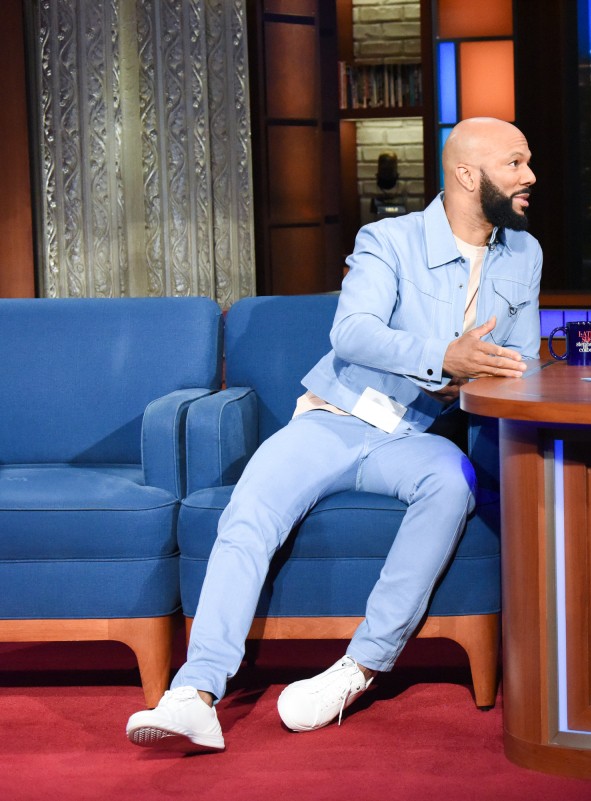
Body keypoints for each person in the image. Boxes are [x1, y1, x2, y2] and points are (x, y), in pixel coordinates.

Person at [126, 117, 541, 752]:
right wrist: (443, 357)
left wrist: (490, 377)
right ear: (467, 174)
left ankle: (359, 669)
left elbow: (521, 359)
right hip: (335, 417)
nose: (529, 176)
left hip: (417, 436)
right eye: (515, 163)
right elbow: (352, 332)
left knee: (452, 483)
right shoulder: (388, 240)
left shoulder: (524, 253)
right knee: (250, 511)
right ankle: (196, 692)